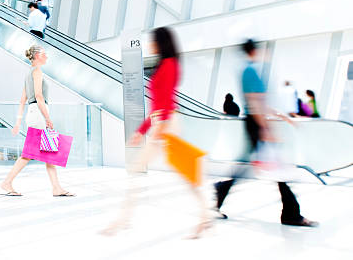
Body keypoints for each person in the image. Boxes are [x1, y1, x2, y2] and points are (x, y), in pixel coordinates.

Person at [102, 27, 209, 238]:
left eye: (153, 41)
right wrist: (142, 130)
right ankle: (205, 217)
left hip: (166, 125)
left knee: (143, 169)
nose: (150, 44)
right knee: (168, 172)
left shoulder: (169, 65)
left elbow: (167, 101)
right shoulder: (167, 64)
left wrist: (157, 129)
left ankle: (123, 220)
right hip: (163, 123)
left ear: (161, 42)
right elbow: (157, 106)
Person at [214, 39, 318, 227]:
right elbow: (255, 103)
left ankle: (220, 191)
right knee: (277, 169)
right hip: (256, 123)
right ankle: (291, 214)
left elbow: (259, 103)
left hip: (255, 123)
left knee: (254, 166)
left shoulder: (248, 70)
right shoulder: (251, 72)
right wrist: (265, 129)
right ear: (253, 51)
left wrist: (284, 118)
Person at [0, 44, 74, 197]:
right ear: (38, 55)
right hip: (39, 114)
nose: (46, 56)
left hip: (34, 113)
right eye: (44, 54)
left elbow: (22, 100)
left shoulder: (29, 74)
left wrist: (18, 122)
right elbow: (39, 97)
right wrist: (48, 118)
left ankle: (56, 188)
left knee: (49, 152)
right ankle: (7, 182)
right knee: (28, 154)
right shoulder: (37, 72)